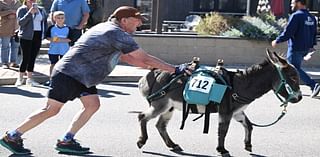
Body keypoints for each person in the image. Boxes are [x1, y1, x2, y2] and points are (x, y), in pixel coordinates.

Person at [0, 6, 189, 155]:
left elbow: (129, 58)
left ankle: (67, 140)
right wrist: (175, 69)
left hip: (84, 77)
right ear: (124, 20)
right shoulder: (116, 33)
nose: (139, 24)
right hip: (70, 74)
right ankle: (13, 136)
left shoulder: (106, 28)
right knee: (51, 110)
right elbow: (143, 57)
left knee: (92, 104)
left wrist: (156, 68)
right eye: (137, 20)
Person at [271, 0, 320, 98]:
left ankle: (313, 85)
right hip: (305, 48)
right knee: (293, 68)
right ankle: (290, 87)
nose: (291, 4)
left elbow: (288, 32)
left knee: (292, 68)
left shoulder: (296, 16)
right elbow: (314, 33)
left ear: (299, 3)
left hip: (296, 48)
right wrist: (312, 46)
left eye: (293, 2)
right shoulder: (311, 17)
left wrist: (277, 40)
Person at [14, 0, 47, 86]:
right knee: (25, 57)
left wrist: (45, 34)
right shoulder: (22, 10)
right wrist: (29, 13)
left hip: (38, 35)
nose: (32, 1)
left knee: (33, 57)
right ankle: (20, 78)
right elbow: (21, 23)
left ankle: (30, 79)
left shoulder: (41, 9)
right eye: (30, 0)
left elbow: (44, 23)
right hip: (26, 36)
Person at [45, 11, 71, 86]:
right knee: (53, 64)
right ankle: (51, 80)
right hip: (53, 50)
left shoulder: (68, 28)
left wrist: (58, 39)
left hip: (64, 50)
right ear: (54, 18)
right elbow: (48, 37)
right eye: (58, 18)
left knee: (64, 66)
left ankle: (64, 80)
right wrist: (57, 40)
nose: (60, 19)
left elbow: (69, 39)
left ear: (64, 19)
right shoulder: (51, 28)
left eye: (62, 18)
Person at [0, 0, 21, 69]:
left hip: (16, 28)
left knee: (15, 46)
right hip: (5, 28)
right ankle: (4, 62)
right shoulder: (1, 2)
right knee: (5, 46)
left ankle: (13, 62)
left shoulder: (17, 2)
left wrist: (14, 14)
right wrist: (10, 12)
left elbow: (21, 12)